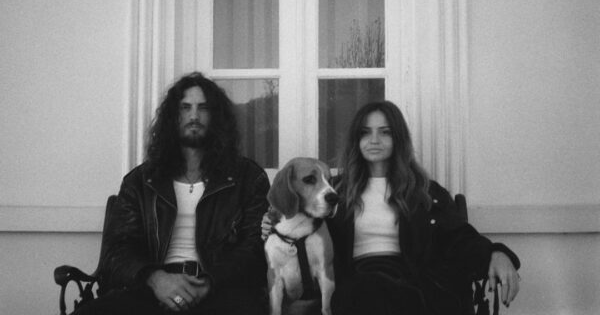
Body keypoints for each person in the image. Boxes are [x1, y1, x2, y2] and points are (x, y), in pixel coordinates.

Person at [262, 100, 520, 315]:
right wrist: (273, 223)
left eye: (385, 132)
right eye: (365, 132)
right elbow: (298, 224)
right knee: (367, 288)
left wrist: (495, 252)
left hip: (414, 282)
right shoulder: (335, 192)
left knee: (385, 292)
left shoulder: (425, 191)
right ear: (356, 139)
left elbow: (459, 236)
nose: (374, 140)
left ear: (398, 138)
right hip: (356, 285)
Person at [75, 72, 270, 315]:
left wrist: (208, 282)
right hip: (152, 289)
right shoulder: (141, 182)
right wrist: (157, 279)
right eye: (185, 108)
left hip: (220, 290)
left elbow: (253, 248)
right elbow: (118, 251)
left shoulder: (248, 178)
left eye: (203, 108)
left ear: (217, 117)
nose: (194, 116)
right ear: (172, 117)